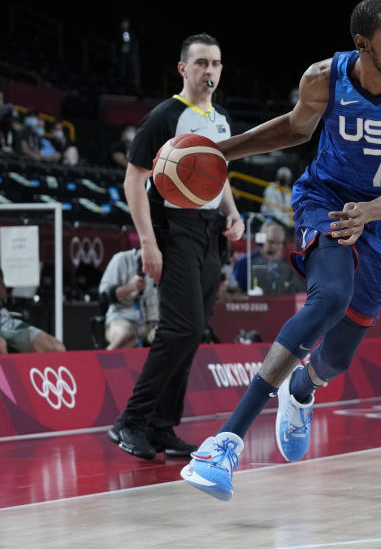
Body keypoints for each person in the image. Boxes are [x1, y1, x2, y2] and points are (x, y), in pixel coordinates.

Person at [180, 0, 381, 501]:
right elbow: (293, 128)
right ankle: (224, 443)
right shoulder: (325, 77)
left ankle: (301, 390)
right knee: (328, 297)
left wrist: (370, 213)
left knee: (339, 359)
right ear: (363, 44)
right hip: (325, 199)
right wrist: (220, 153)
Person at [108, 33, 245, 461]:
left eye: (216, 63)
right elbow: (133, 180)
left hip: (209, 230)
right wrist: (148, 242)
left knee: (194, 331)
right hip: (173, 227)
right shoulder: (165, 117)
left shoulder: (221, 120)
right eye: (201, 63)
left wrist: (234, 214)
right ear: (183, 69)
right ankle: (130, 422)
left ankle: (162, 426)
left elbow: (217, 176)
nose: (210, 70)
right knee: (179, 328)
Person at [98, 247, 158, 349]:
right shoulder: (121, 259)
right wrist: (131, 287)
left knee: (168, 336)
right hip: (122, 318)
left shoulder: (163, 264)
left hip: (152, 322)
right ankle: (104, 363)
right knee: (125, 336)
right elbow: (103, 298)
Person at [0, 267, 66, 354]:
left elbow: (2, 292)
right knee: (1, 345)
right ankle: (8, 368)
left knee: (56, 348)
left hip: (5, 320)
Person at [230, 221, 305, 294]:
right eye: (271, 242)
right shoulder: (245, 262)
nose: (275, 247)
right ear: (260, 240)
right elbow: (235, 291)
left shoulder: (285, 266)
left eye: (279, 243)